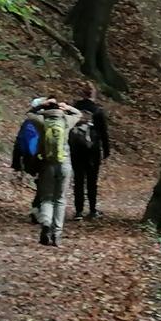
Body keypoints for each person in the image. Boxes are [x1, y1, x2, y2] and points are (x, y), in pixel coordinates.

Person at [26, 96, 82, 246]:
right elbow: (79, 114)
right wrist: (68, 107)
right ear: (59, 109)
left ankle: (45, 223)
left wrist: (40, 107)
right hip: (64, 164)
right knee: (60, 199)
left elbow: (29, 114)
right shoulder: (66, 121)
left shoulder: (42, 122)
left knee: (47, 198)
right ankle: (56, 235)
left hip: (47, 164)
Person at [68, 81, 112, 220]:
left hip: (76, 149)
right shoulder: (97, 111)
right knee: (92, 180)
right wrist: (106, 151)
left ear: (82, 93)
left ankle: (79, 211)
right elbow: (103, 133)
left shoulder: (74, 109)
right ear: (93, 94)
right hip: (92, 150)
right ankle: (92, 210)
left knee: (79, 180)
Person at [11, 97, 45, 223]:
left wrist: (16, 163)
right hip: (38, 157)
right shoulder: (41, 122)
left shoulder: (28, 122)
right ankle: (38, 210)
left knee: (42, 184)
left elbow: (19, 142)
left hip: (29, 158)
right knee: (44, 184)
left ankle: (38, 209)